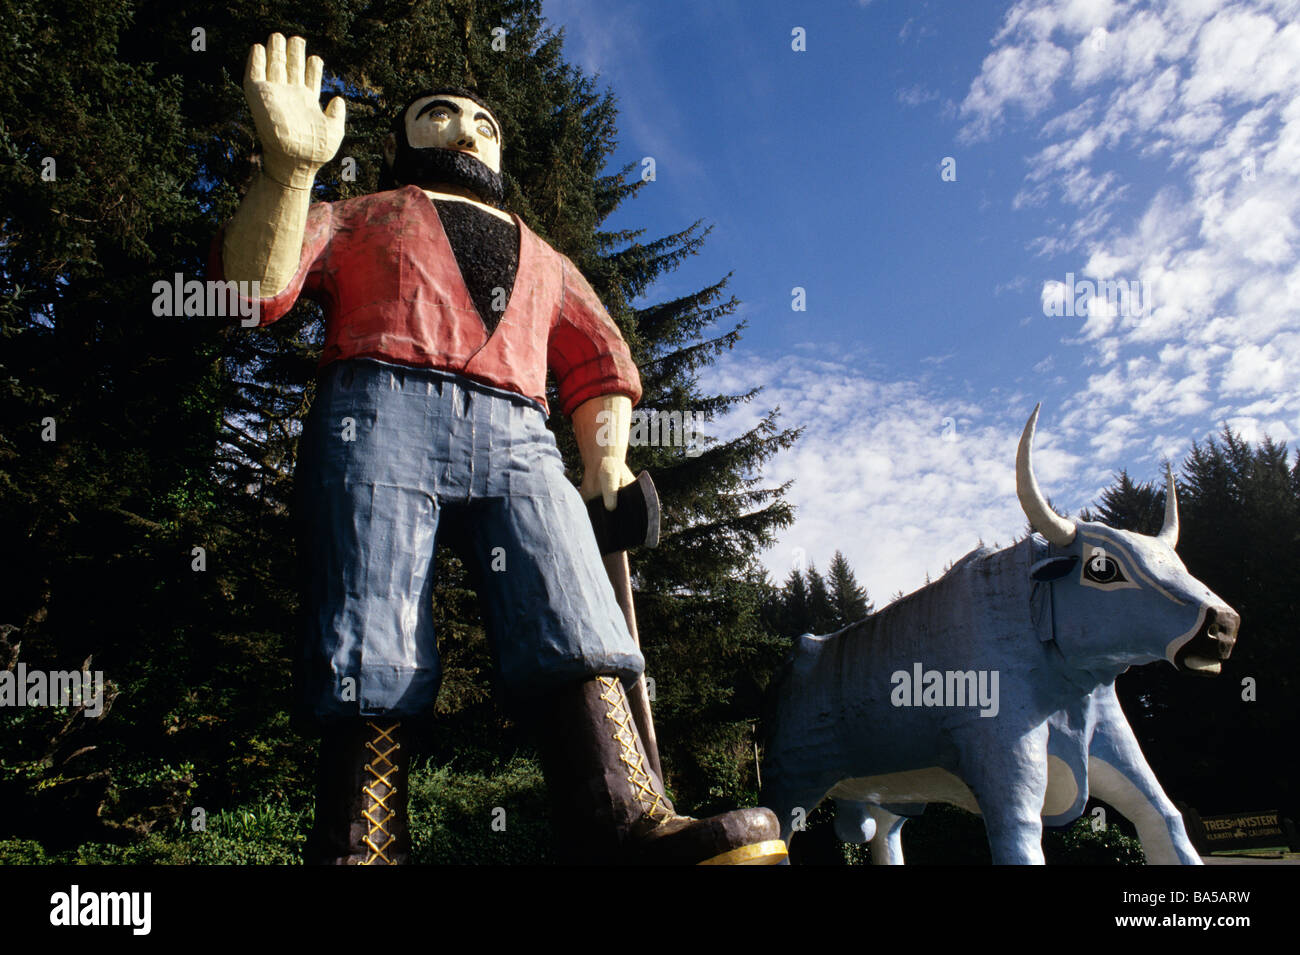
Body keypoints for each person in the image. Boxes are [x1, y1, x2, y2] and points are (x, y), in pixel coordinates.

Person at [213, 33, 784, 865]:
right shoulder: (363, 214)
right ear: (405, 140)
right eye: (438, 114)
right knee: (372, 611)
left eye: (483, 120)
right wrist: (291, 173)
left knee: (569, 593)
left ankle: (627, 816)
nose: (465, 129)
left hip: (519, 429)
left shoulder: (547, 258)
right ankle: (364, 838)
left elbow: (597, 361)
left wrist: (605, 462)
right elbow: (250, 290)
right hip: (377, 408)